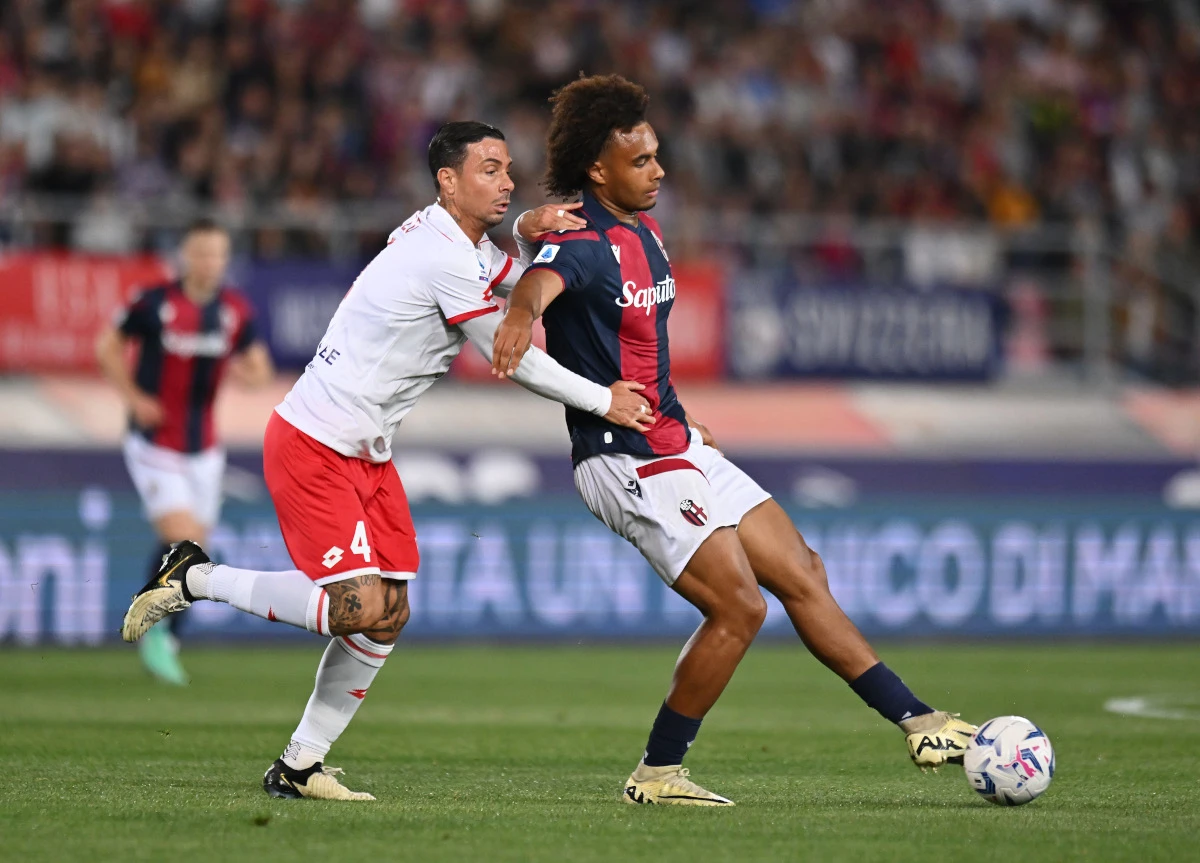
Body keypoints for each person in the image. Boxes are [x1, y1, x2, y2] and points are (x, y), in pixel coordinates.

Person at [119, 121, 654, 801]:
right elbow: (510, 348)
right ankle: (193, 575)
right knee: (353, 605)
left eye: (509, 168)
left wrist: (525, 231)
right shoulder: (442, 254)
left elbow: (520, 282)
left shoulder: (455, 239)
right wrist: (602, 399)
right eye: (490, 169)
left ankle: (299, 764)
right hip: (314, 439)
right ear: (448, 181)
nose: (508, 180)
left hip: (367, 450)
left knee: (389, 611)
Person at [491, 75, 976, 807]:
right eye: (641, 160)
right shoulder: (581, 239)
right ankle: (657, 772)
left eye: (657, 155)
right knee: (740, 607)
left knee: (802, 569)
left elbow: (641, 348)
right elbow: (539, 287)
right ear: (599, 169)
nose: (659, 170)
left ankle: (921, 720)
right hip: (624, 460)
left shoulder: (644, 230)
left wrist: (684, 424)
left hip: (676, 441)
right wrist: (521, 316)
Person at [96, 218, 274, 685]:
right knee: (183, 538)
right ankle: (154, 631)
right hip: (155, 442)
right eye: (201, 253)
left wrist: (244, 372)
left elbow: (259, 367)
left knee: (196, 549)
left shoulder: (233, 310)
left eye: (217, 254)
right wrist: (135, 398)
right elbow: (107, 346)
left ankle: (165, 633)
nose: (209, 262)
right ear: (185, 256)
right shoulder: (154, 303)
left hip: (203, 447)